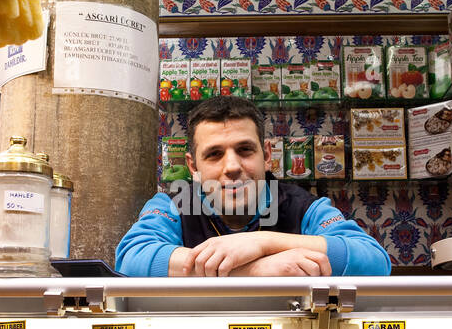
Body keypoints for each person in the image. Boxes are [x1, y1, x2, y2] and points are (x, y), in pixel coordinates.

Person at [115, 96, 391, 277]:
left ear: (267, 155)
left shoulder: (304, 207)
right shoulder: (171, 204)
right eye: (214, 154)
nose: (232, 166)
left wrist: (261, 242)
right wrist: (257, 269)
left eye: (245, 150)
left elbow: (374, 262)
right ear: (193, 167)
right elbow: (131, 259)